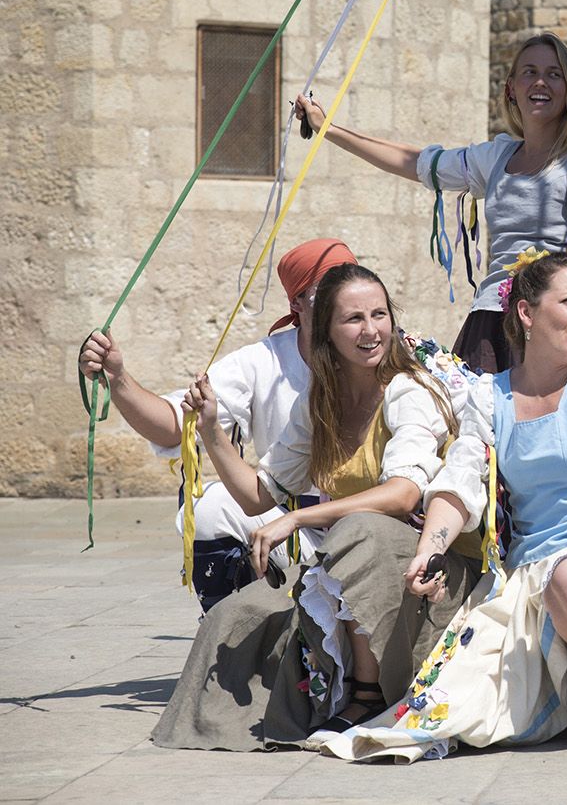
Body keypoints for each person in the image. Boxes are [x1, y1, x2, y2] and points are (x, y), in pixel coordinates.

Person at [317, 251, 567, 759]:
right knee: (456, 709)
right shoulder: (489, 397)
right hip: (526, 574)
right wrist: (430, 551)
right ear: (526, 313)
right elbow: (461, 484)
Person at [152, 264, 479, 750]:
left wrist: (298, 517)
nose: (371, 331)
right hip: (351, 566)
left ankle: (367, 695)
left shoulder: (408, 390)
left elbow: (403, 493)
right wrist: (211, 431)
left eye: (379, 314)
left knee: (359, 528)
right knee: (235, 619)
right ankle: (311, 698)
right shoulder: (318, 401)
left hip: (428, 569)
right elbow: (260, 493)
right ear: (324, 328)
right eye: (353, 319)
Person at [76, 238, 357, 611]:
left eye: (350, 286)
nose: (345, 302)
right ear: (296, 305)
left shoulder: (391, 350)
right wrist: (119, 378)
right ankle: (235, 639)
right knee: (211, 506)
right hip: (294, 529)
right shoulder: (261, 362)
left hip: (375, 518)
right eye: (327, 290)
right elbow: (178, 425)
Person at [295, 33, 567, 372]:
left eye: (554, 74)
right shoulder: (496, 157)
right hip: (492, 318)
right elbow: (415, 162)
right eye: (529, 72)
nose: (540, 82)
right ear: (510, 88)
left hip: (552, 323)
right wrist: (327, 128)